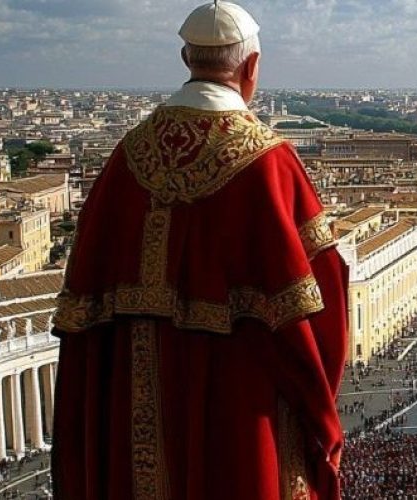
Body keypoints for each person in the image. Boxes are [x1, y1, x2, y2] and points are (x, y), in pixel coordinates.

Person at [50, 2, 348, 499]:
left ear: (185, 58)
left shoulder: (126, 158)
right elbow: (320, 303)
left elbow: (82, 313)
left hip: (135, 409)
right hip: (240, 404)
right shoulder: (268, 163)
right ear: (251, 68)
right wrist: (320, 412)